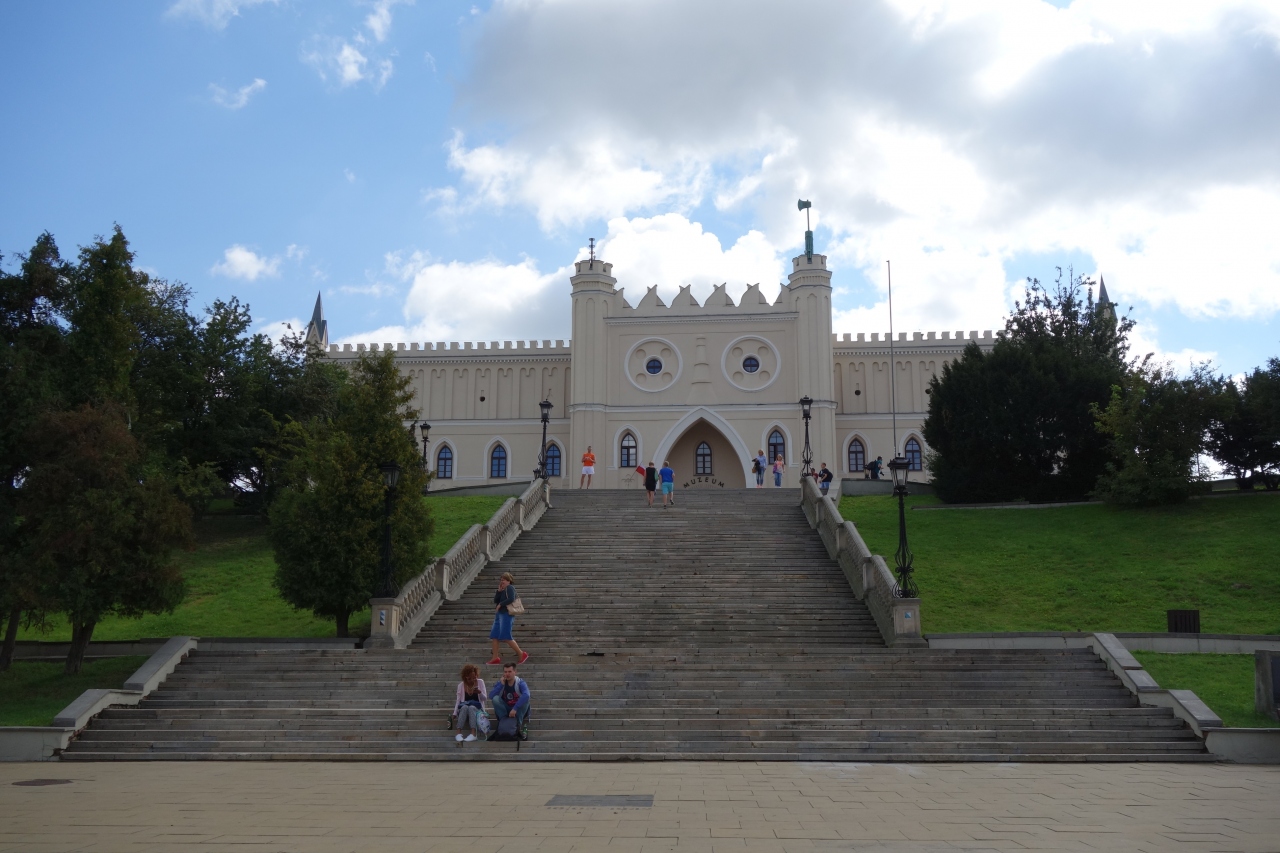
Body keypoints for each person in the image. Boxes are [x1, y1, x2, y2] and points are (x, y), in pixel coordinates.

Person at [488, 572, 528, 665]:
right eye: (501, 580)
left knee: (506, 636)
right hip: (499, 614)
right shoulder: (503, 590)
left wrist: (501, 604)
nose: (502, 581)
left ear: (509, 581)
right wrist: (499, 591)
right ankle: (495, 658)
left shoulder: (510, 588)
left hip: (506, 614)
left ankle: (521, 654)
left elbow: (511, 598)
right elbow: (495, 600)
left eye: (504, 580)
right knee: (494, 636)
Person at [488, 662, 531, 737]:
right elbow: (491, 696)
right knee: (495, 699)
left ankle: (518, 724)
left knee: (526, 700)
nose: (507, 674)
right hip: (505, 709)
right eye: (505, 672)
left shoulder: (520, 682)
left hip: (517, 710)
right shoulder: (501, 682)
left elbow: (527, 695)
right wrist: (501, 685)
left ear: (515, 672)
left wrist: (515, 708)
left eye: (509, 671)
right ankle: (503, 722)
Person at [453, 663, 487, 743]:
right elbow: (458, 700)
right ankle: (458, 733)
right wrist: (455, 713)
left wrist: (479, 693)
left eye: (474, 677)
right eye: (470, 678)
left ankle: (473, 733)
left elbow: (484, 698)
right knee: (464, 707)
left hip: (477, 710)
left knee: (471, 707)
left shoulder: (480, 682)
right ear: (466, 677)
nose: (472, 680)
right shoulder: (461, 685)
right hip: (464, 710)